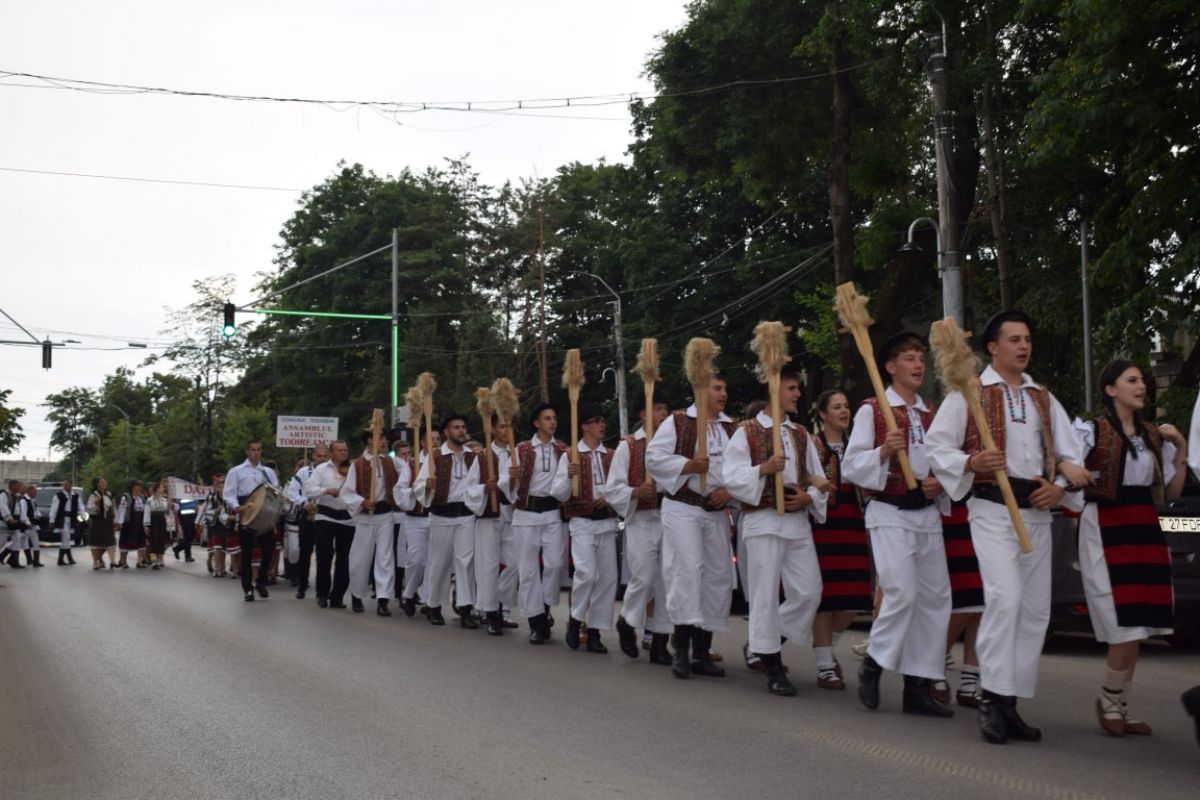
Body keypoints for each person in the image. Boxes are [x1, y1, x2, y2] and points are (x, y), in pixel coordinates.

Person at [927, 310, 1087, 744]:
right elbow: (936, 444)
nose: (1023, 346)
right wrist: (971, 462)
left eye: (1027, 339)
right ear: (993, 348)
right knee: (1006, 598)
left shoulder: (1042, 398)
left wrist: (1057, 488)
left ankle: (1010, 700)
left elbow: (1071, 454)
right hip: (993, 509)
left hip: (1036, 511)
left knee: (1035, 610)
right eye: (1013, 339)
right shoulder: (970, 392)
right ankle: (990, 699)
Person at [843, 332, 955, 718]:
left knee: (936, 599)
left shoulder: (932, 413)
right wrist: (884, 451)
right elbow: (851, 466)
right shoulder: (873, 410)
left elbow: (946, 463)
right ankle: (874, 662)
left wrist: (940, 482)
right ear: (890, 367)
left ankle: (918, 685)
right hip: (889, 511)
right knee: (901, 593)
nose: (918, 365)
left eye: (921, 357)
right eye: (909, 358)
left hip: (926, 513)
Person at [1074, 360, 1188, 736]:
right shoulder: (1091, 431)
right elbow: (1068, 470)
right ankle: (1109, 699)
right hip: (1106, 524)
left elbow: (1171, 493)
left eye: (1142, 380)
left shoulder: (1153, 436)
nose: (1142, 386)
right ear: (1111, 389)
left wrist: (1181, 447)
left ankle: (1119, 705)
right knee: (1123, 621)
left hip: (1143, 526)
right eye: (1132, 380)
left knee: (1141, 620)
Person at [724, 370, 830, 695]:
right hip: (763, 520)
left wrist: (811, 496)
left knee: (809, 591)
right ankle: (772, 664)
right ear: (775, 390)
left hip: (796, 523)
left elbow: (816, 477)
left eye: (798, 388)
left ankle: (762, 641)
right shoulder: (747, 431)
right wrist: (763, 470)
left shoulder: (799, 433)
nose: (798, 394)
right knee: (765, 595)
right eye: (792, 388)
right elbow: (731, 476)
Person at [646, 372, 738, 680]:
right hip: (683, 507)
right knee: (688, 570)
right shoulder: (679, 421)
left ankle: (702, 651)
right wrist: (686, 465)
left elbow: (741, 469)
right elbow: (654, 458)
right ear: (701, 390)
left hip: (715, 511)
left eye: (724, 388)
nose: (723, 393)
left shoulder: (730, 427)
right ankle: (681, 648)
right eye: (717, 387)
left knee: (718, 576)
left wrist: (730, 491)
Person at [808, 389, 872, 690]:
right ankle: (824, 665)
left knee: (854, 595)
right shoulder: (812, 443)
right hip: (824, 523)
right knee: (826, 596)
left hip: (854, 521)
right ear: (823, 413)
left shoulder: (857, 444)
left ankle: (827, 648)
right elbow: (801, 473)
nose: (844, 411)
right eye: (837, 407)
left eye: (847, 406)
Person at [550, 404, 619, 653]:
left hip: (606, 522)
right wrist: (568, 476)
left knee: (608, 578)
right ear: (584, 426)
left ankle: (595, 630)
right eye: (596, 421)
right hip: (581, 522)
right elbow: (558, 493)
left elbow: (620, 486)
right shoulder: (570, 456)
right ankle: (576, 619)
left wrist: (612, 498)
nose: (602, 425)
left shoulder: (611, 455)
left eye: (603, 421)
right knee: (587, 573)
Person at [609, 394, 673, 664]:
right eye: (658, 408)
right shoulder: (629, 446)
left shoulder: (673, 444)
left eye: (665, 409)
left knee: (667, 581)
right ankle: (627, 620)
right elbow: (613, 488)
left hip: (669, 516)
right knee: (644, 577)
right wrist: (636, 491)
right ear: (643, 414)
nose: (663, 414)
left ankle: (660, 641)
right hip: (642, 518)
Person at [415, 413, 484, 627]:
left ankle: (465, 608)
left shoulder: (473, 457)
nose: (461, 431)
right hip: (441, 515)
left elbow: (477, 485)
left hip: (465, 515)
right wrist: (426, 485)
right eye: (456, 427)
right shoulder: (434, 456)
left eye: (463, 427)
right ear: (447, 432)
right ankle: (434, 605)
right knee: (440, 562)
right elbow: (418, 486)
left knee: (465, 563)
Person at [510, 403, 569, 644]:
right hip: (526, 514)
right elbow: (507, 481)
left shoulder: (563, 450)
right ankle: (536, 621)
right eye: (547, 418)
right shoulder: (522, 449)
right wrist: (510, 478)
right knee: (528, 570)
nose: (552, 422)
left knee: (554, 565)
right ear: (537, 423)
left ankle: (544, 607)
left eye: (554, 418)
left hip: (552, 513)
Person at [342, 429, 411, 616]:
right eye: (379, 438)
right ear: (369, 441)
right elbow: (347, 492)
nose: (384, 441)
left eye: (384, 438)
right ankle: (357, 594)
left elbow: (408, 468)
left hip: (386, 516)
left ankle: (383, 598)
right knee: (360, 558)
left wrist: (399, 488)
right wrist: (361, 501)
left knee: (385, 558)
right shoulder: (357, 465)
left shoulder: (390, 461)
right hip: (365, 517)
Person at [474, 413, 516, 635]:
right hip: (489, 514)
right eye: (502, 426)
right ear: (491, 429)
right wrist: (484, 489)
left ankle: (504, 605)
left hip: (512, 513)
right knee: (488, 565)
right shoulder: (482, 456)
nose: (506, 430)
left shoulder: (517, 455)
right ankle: (490, 612)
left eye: (509, 426)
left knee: (514, 563)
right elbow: (469, 490)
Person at [223, 439, 281, 602]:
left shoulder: (268, 472)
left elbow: (275, 490)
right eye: (253, 450)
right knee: (247, 553)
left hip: (264, 514)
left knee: (269, 549)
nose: (256, 453)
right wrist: (236, 506)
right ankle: (248, 588)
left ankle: (261, 581)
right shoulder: (236, 471)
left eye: (259, 450)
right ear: (247, 452)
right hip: (246, 512)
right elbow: (228, 493)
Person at [305, 440, 355, 609]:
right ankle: (322, 593)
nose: (343, 453)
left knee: (345, 559)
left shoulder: (353, 469)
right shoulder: (321, 469)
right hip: (325, 516)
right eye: (340, 450)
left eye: (345, 450)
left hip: (347, 518)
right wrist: (325, 491)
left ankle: (337, 596)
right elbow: (308, 489)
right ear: (332, 453)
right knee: (325, 555)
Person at [399, 430, 438, 618]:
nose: (436, 442)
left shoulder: (445, 461)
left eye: (438, 439)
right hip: (415, 518)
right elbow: (400, 489)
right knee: (417, 559)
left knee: (434, 562)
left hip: (437, 518)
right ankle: (409, 592)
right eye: (431, 439)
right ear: (422, 442)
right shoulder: (412, 463)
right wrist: (419, 489)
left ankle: (431, 602)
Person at [287, 445, 328, 599]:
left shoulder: (332, 471)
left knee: (323, 554)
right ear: (313, 457)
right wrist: (304, 502)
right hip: (308, 515)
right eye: (319, 456)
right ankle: (302, 586)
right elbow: (292, 491)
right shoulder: (304, 472)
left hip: (325, 515)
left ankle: (321, 591)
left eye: (325, 456)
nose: (322, 459)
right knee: (305, 552)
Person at [199, 474, 232, 578]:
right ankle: (217, 569)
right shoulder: (211, 498)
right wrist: (216, 511)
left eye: (223, 485)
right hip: (215, 524)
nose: (221, 488)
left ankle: (222, 569)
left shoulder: (228, 498)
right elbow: (206, 511)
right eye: (220, 485)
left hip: (225, 524)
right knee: (217, 547)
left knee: (223, 548)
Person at [86, 477, 116, 570]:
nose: (104, 483)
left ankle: (113, 562)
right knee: (96, 542)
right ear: (97, 484)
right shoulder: (94, 495)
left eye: (104, 481)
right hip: (97, 521)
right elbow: (89, 508)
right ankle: (96, 562)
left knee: (110, 541)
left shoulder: (109, 494)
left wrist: (116, 520)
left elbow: (113, 508)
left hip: (108, 521)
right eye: (101, 482)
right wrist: (96, 502)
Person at [115, 480, 146, 569]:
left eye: (140, 487)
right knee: (125, 541)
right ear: (132, 487)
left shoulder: (142, 497)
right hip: (129, 522)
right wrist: (119, 522)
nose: (139, 488)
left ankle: (140, 561)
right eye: (136, 486)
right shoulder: (126, 497)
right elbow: (121, 510)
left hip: (140, 522)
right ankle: (123, 561)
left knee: (141, 542)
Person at [50, 480, 81, 566]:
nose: (65, 486)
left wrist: (83, 517)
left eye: (67, 484)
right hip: (62, 519)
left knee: (66, 538)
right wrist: (51, 520)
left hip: (71, 519)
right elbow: (54, 508)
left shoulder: (76, 496)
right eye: (64, 484)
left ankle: (63, 559)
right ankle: (67, 559)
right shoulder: (59, 496)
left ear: (71, 485)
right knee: (66, 537)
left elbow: (80, 507)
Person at [1, 480, 30, 568]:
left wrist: (24, 521)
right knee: (2, 541)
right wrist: (9, 518)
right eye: (17, 486)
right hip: (5, 522)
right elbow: (3, 506)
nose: (19, 488)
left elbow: (18, 510)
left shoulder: (17, 497)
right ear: (12, 486)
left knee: (17, 541)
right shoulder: (4, 495)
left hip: (15, 523)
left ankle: (14, 562)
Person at [143, 481, 171, 570]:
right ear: (157, 489)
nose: (163, 489)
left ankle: (160, 558)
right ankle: (154, 560)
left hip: (161, 520)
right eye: (161, 487)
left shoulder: (164, 500)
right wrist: (146, 525)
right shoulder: (149, 500)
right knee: (153, 539)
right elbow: (147, 513)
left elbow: (167, 513)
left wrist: (170, 506)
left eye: (163, 488)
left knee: (161, 539)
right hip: (153, 520)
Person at [20, 484, 43, 567]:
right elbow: (23, 513)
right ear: (29, 491)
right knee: (30, 542)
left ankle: (32, 560)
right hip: (27, 525)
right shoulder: (24, 500)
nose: (36, 493)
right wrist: (27, 522)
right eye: (35, 491)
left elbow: (35, 511)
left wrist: (39, 517)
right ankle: (33, 561)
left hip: (32, 524)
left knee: (25, 542)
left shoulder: (32, 500)